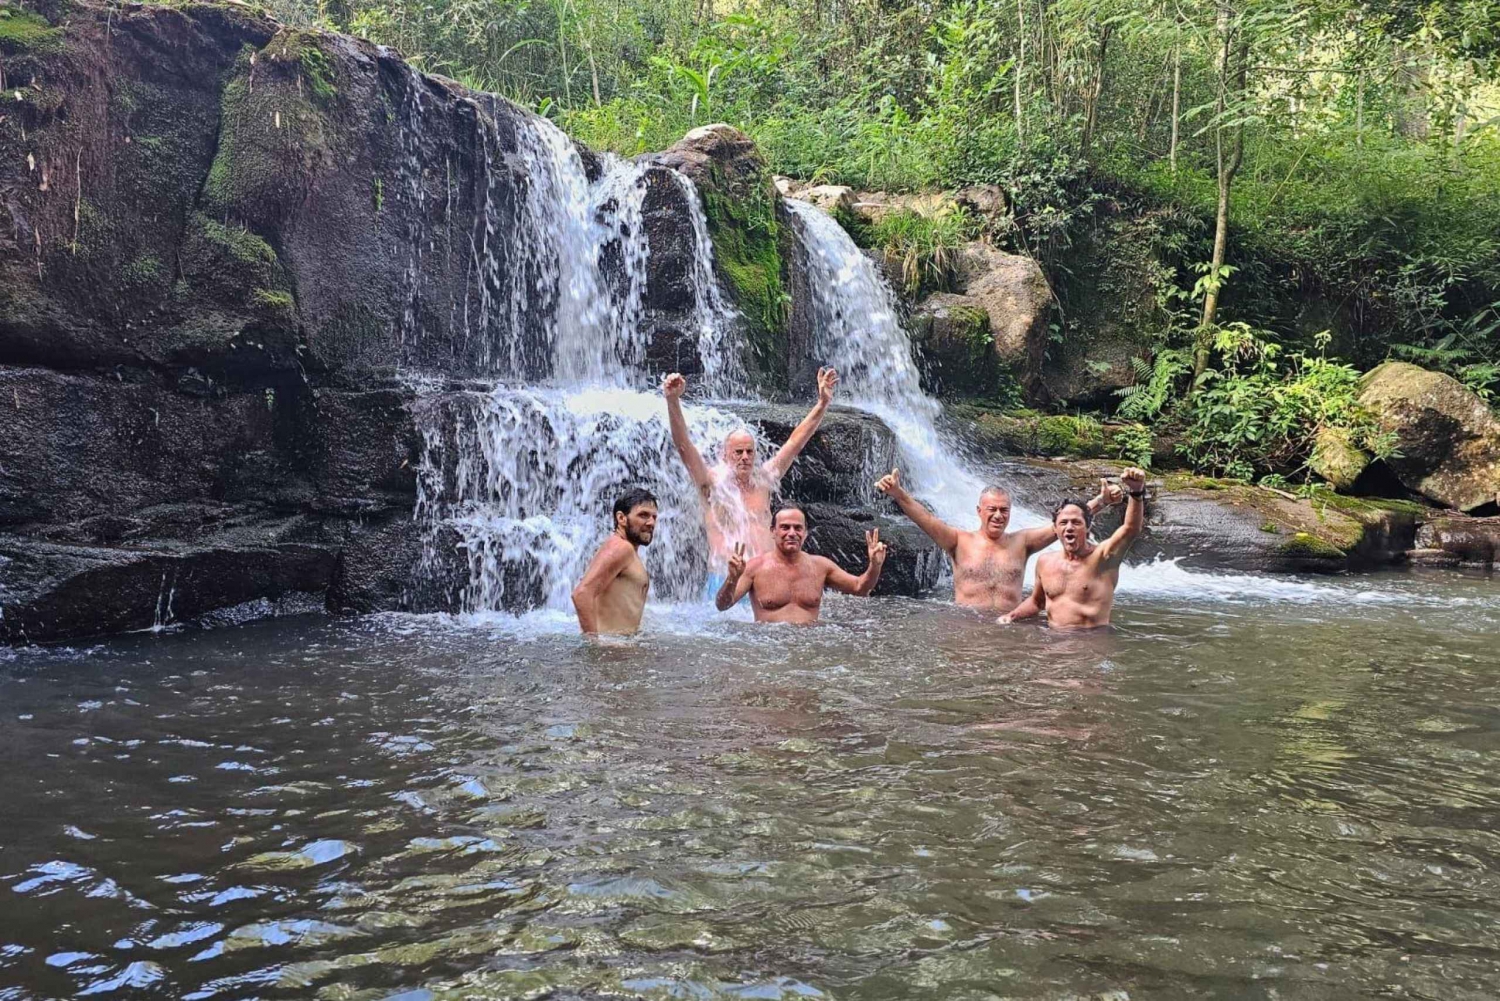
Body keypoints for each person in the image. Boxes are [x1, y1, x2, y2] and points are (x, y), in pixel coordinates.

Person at [874, 469, 1122, 614]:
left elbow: (1066, 521)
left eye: (1004, 510)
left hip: (1010, 626)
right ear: (979, 511)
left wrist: (1101, 502)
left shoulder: (1022, 542)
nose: (998, 515)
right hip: (967, 625)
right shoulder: (958, 541)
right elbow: (925, 518)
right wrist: (898, 493)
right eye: (991, 509)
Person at [663, 367, 839, 564]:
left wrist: (822, 403)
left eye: (749, 451)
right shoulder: (711, 482)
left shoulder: (764, 479)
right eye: (738, 452)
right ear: (725, 455)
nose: (745, 457)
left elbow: (795, 442)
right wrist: (672, 401)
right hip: (724, 575)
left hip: (764, 576)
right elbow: (683, 446)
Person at [999, 467, 1148, 629]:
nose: (1069, 527)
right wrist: (1011, 616)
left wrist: (1136, 492)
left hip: (1090, 644)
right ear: (1055, 529)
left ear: (1088, 527)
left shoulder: (1104, 557)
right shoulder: (1045, 562)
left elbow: (1131, 529)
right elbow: (1037, 602)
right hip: (1053, 643)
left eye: (1076, 522)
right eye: (1063, 523)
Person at [715, 507, 887, 624]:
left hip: (809, 648)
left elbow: (860, 588)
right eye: (785, 527)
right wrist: (732, 578)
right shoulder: (755, 568)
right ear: (773, 531)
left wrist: (875, 565)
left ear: (805, 533)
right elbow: (722, 605)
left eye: (798, 528)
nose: (792, 533)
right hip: (769, 649)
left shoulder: (821, 566)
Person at [571, 488, 658, 635]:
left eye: (654, 517)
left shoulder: (627, 550)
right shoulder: (620, 548)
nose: (651, 522)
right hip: (611, 653)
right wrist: (594, 648)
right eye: (643, 515)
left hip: (619, 651)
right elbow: (581, 594)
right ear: (621, 518)